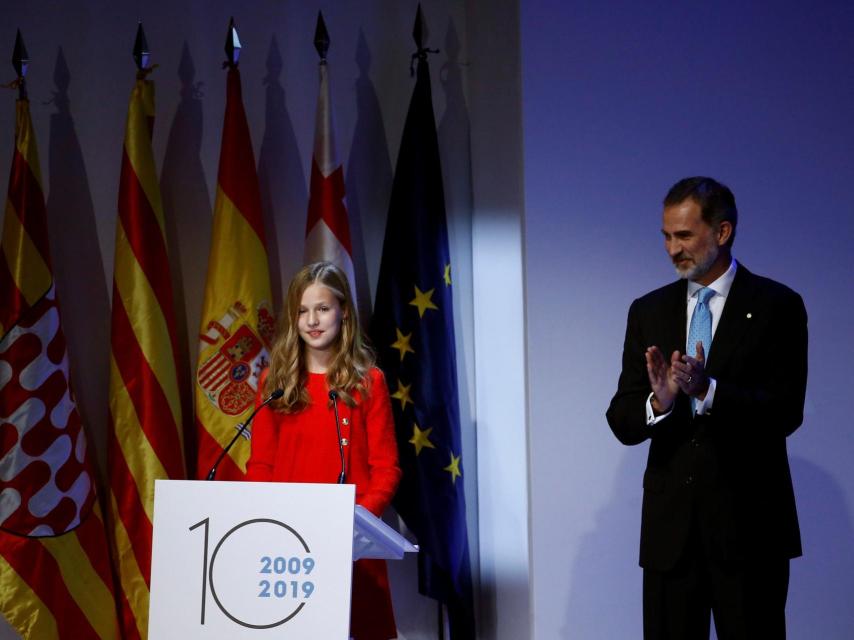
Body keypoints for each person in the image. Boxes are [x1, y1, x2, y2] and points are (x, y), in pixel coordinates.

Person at [606, 177, 808, 639]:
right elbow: (622, 417)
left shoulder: (777, 306)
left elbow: (785, 411)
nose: (672, 249)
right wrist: (660, 401)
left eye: (684, 235)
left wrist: (708, 390)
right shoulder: (648, 310)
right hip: (671, 538)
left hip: (750, 532)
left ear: (722, 232)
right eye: (666, 236)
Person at [247, 261, 402, 640]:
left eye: (322, 308)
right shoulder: (275, 382)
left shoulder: (368, 382)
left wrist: (356, 524)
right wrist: (270, 520)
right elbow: (260, 464)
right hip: (288, 541)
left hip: (350, 543)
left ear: (344, 311)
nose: (312, 321)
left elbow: (386, 468)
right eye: (302, 311)